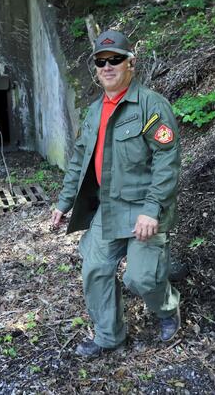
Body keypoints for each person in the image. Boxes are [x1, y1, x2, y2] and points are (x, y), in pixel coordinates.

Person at [51, 29, 181, 358]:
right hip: (107, 210)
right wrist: (64, 202)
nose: (107, 66)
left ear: (130, 63)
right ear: (95, 68)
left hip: (142, 209)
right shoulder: (94, 112)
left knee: (141, 279)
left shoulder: (151, 105)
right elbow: (80, 160)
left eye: (115, 60)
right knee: (95, 269)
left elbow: (167, 160)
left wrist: (153, 209)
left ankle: (167, 310)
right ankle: (109, 336)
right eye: (101, 61)